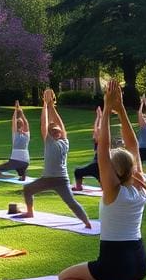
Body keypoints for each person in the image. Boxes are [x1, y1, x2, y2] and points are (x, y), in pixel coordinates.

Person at [59, 79, 146, 280]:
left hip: (115, 265)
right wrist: (120, 110)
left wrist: (108, 109)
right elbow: (133, 146)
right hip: (140, 263)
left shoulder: (113, 191)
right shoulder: (140, 184)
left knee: (64, 279)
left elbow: (103, 148)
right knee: (127, 273)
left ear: (113, 171)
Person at [16, 89, 92, 228]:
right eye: (54, 131)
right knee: (27, 189)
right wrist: (46, 106)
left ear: (60, 133)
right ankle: (30, 212)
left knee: (71, 203)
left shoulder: (63, 142)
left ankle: (86, 222)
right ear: (51, 133)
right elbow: (45, 124)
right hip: (47, 179)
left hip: (60, 180)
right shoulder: (53, 140)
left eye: (58, 131)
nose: (57, 132)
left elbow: (57, 124)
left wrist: (49, 106)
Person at [0, 101, 31, 179]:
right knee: (20, 171)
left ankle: (7, 175)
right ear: (23, 125)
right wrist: (21, 112)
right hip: (26, 162)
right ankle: (22, 174)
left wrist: (15, 110)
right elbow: (26, 123)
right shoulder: (27, 135)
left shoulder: (15, 134)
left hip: (15, 161)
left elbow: (13, 120)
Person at [73, 105, 104, 190]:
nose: (94, 134)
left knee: (77, 171)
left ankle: (78, 187)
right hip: (101, 166)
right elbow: (97, 130)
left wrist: (99, 117)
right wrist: (99, 117)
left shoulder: (100, 140)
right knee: (104, 186)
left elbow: (97, 130)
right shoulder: (103, 141)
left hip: (96, 165)